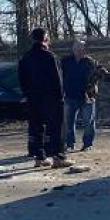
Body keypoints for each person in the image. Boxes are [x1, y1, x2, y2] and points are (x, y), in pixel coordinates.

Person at [18, 28, 74, 168]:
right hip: (51, 98)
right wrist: (61, 96)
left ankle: (39, 157)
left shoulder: (25, 57)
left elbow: (21, 80)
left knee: (36, 127)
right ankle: (58, 157)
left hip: (32, 98)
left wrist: (27, 95)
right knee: (56, 127)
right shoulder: (49, 56)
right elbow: (57, 79)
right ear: (45, 39)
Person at [61, 38, 110, 152]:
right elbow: (58, 76)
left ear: (84, 50)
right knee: (68, 123)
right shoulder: (65, 61)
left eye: (82, 48)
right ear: (73, 49)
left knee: (88, 122)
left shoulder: (90, 62)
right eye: (77, 48)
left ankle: (87, 144)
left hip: (87, 97)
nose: (80, 50)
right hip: (69, 96)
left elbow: (102, 72)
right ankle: (69, 144)